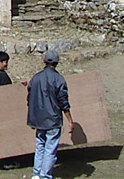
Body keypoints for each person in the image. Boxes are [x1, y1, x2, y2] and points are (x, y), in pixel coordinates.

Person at [26, 48, 74, 179]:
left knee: (40, 146)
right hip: (53, 120)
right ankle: (45, 175)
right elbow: (63, 102)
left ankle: (36, 174)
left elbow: (30, 99)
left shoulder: (35, 78)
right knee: (50, 149)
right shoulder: (59, 79)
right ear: (57, 63)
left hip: (39, 120)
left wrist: (32, 118)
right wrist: (70, 120)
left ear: (44, 61)